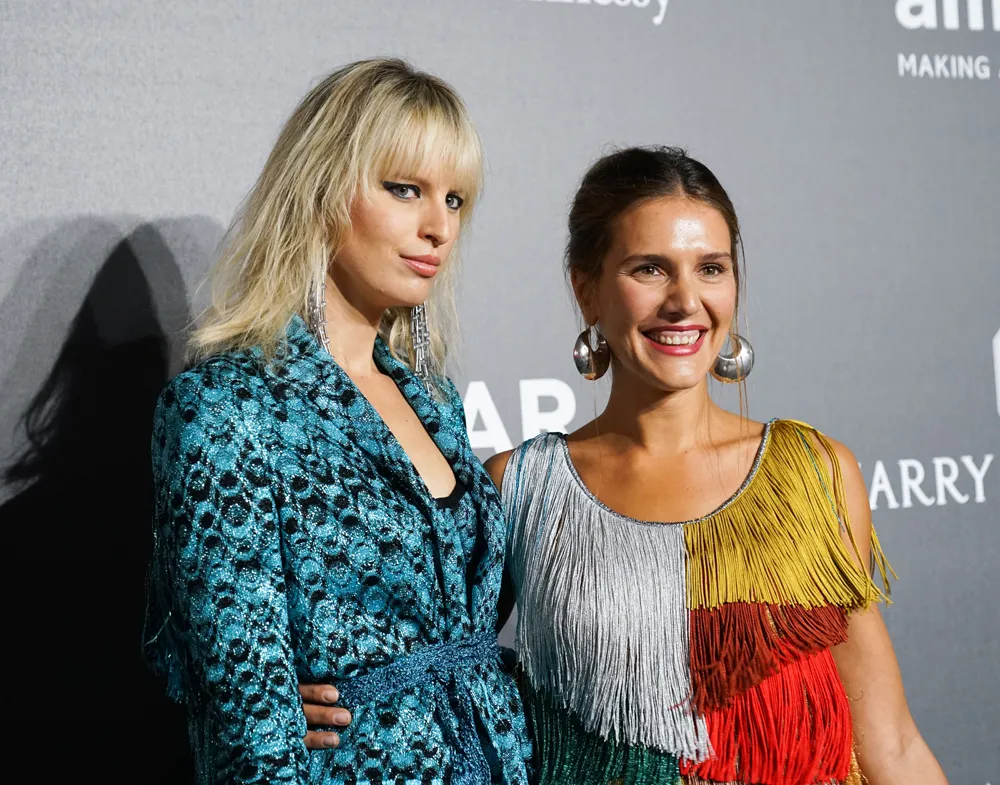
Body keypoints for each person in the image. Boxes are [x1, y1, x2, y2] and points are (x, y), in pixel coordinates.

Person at [304, 146, 948, 785]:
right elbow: (429, 668)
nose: (686, 301)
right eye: (650, 269)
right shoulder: (520, 489)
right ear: (587, 290)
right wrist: (291, 704)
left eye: (711, 269)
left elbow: (891, 744)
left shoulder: (812, 473)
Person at [146, 58, 532, 785]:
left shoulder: (435, 400)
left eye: (454, 200)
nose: (438, 227)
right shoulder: (226, 409)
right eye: (404, 189)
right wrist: (265, 715)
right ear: (321, 188)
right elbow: (250, 727)